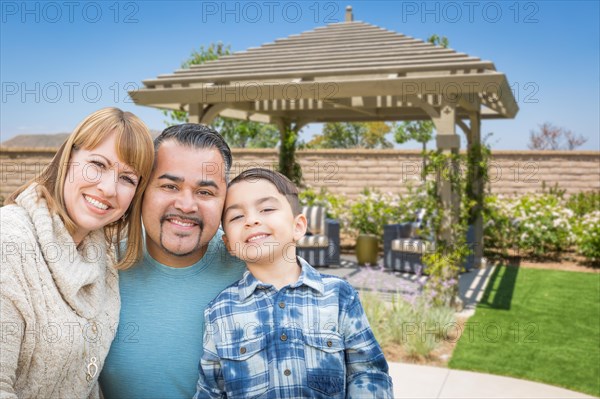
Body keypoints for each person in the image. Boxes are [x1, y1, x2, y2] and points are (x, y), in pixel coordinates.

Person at [194, 168, 394, 399]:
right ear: (229, 244)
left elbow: (368, 372)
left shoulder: (339, 296)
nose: (252, 220)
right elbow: (210, 390)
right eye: (237, 216)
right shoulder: (220, 311)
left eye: (267, 209)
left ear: (298, 226)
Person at [0, 107, 154, 398]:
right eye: (97, 164)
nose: (109, 188)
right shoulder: (9, 242)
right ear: (68, 158)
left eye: (128, 179)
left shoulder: (103, 259)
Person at [100, 124, 247, 398]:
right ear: (142, 190)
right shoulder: (101, 265)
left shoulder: (251, 271)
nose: (186, 205)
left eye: (205, 192)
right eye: (169, 186)